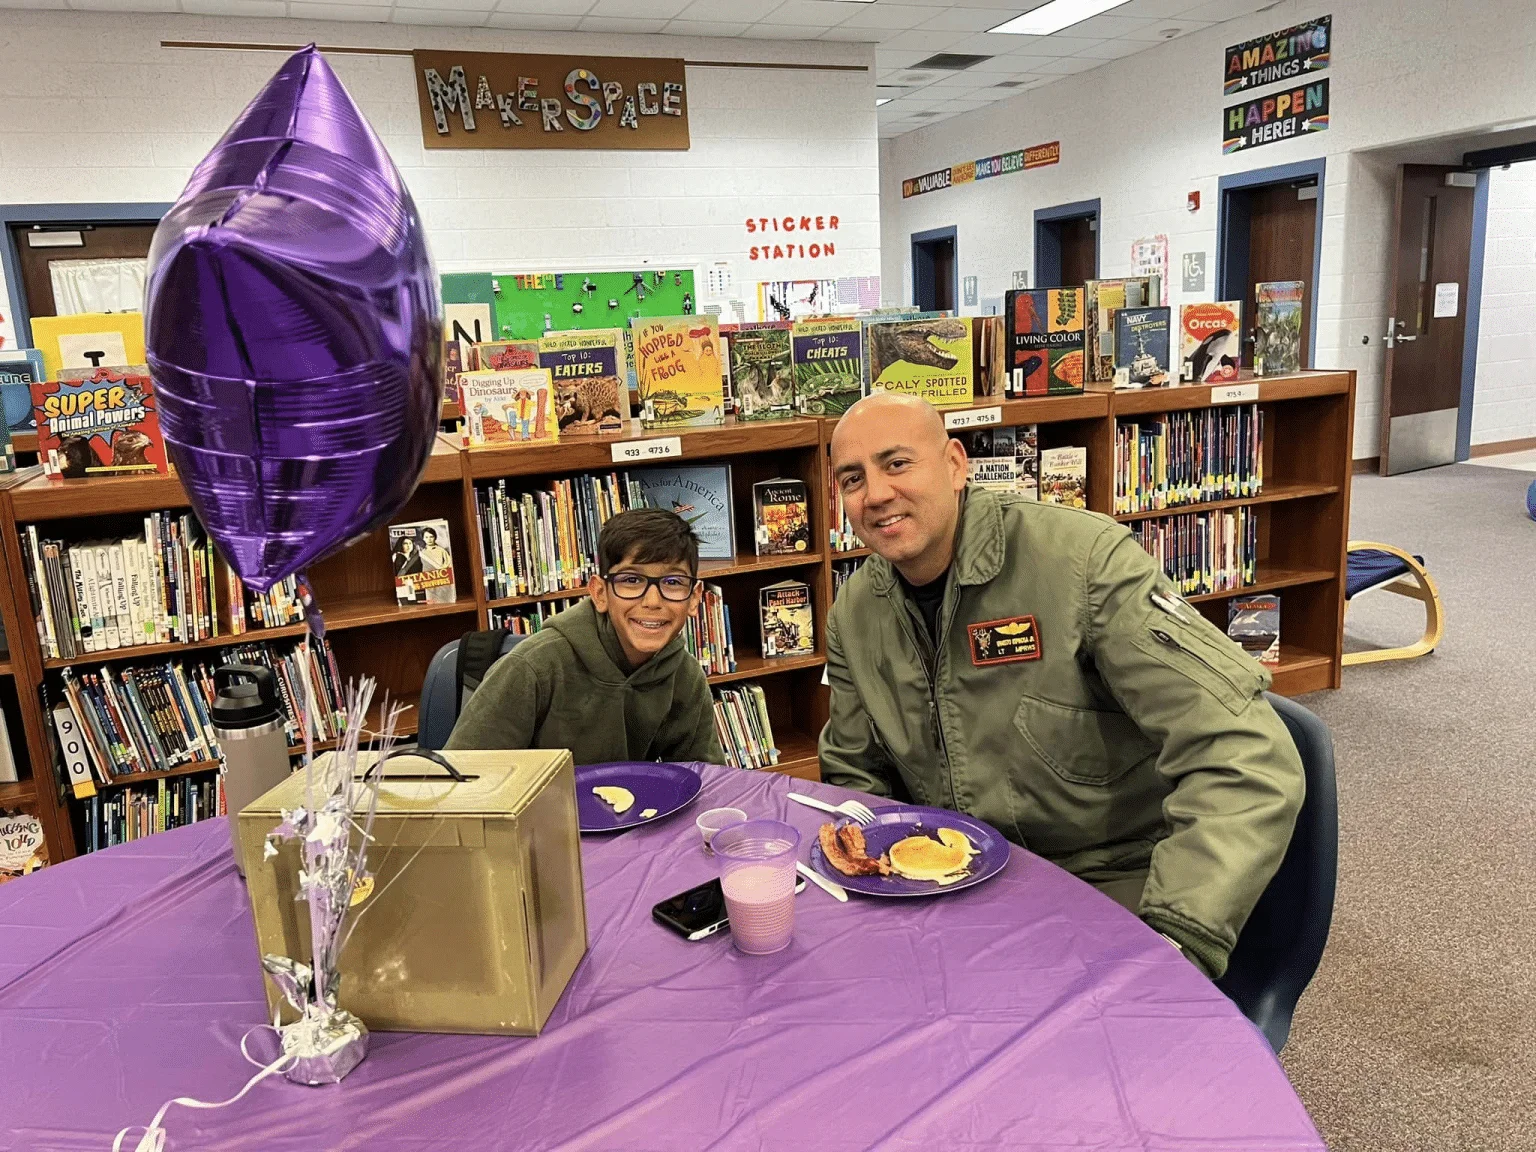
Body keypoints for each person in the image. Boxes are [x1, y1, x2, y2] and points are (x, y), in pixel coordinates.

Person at [820, 394, 1304, 980]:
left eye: (897, 464)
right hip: (949, 887)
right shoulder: (854, 612)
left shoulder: (1084, 563)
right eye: (853, 479)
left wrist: (1175, 940)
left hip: (1109, 886)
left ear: (954, 464)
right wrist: (869, 874)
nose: (875, 494)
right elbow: (854, 773)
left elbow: (1245, 756)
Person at [445, 507, 724, 766]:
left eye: (673, 582)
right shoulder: (532, 668)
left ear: (694, 598)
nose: (652, 601)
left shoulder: (685, 675)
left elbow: (706, 779)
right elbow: (463, 780)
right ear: (600, 593)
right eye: (631, 580)